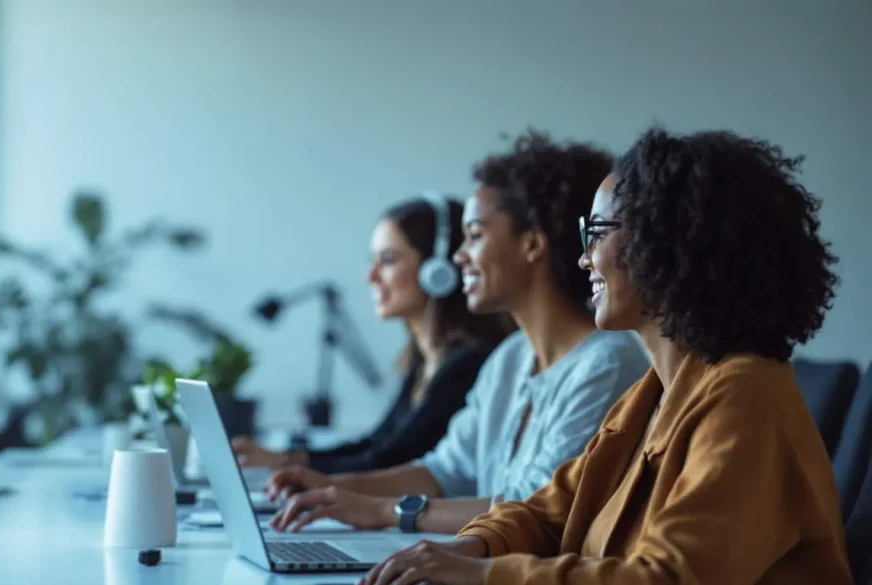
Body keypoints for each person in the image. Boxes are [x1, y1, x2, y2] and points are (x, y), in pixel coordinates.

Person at [361, 126, 853, 585]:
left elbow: (666, 577)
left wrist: (485, 574)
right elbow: (550, 510)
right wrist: (471, 547)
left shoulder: (744, 399)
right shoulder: (653, 394)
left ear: (667, 240)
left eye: (596, 232)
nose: (582, 258)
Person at [265, 129, 651, 535]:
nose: (458, 256)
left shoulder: (606, 365)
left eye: (476, 236)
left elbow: (535, 510)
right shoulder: (510, 357)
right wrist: (332, 488)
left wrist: (384, 511)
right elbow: (445, 470)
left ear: (532, 246)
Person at [234, 195, 514, 474]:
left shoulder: (469, 363)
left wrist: (296, 471)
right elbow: (376, 444)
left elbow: (391, 461)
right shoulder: (425, 359)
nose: (371, 276)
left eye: (388, 260)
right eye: (373, 261)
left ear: (437, 271)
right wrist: (283, 459)